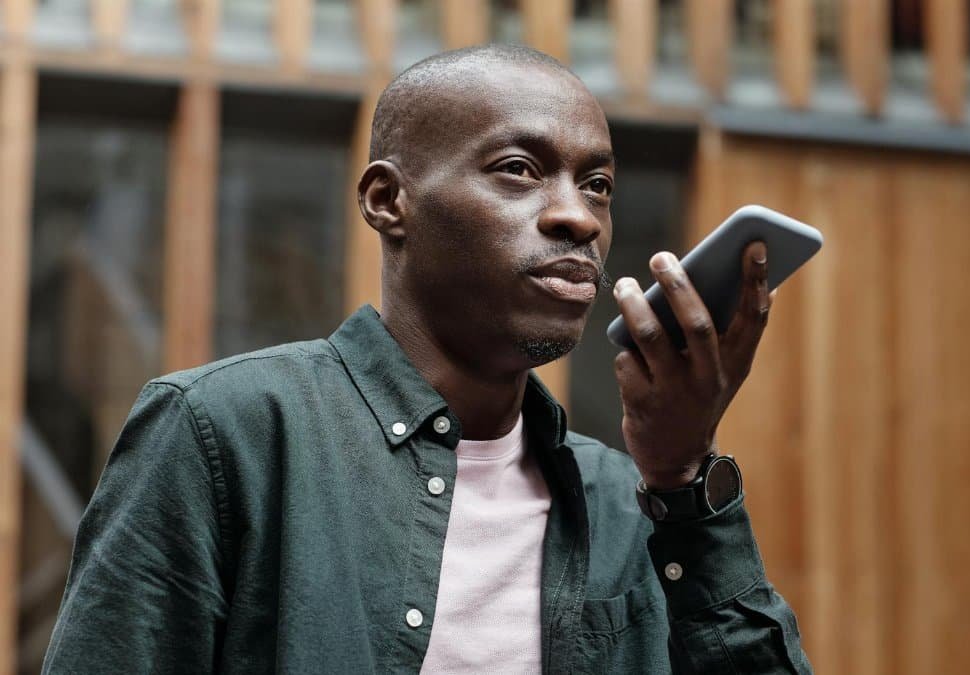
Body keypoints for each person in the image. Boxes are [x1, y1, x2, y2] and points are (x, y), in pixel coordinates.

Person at [43, 45, 813, 674]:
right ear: (388, 201)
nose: (578, 215)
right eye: (518, 169)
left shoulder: (626, 500)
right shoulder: (225, 435)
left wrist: (682, 479)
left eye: (599, 184)